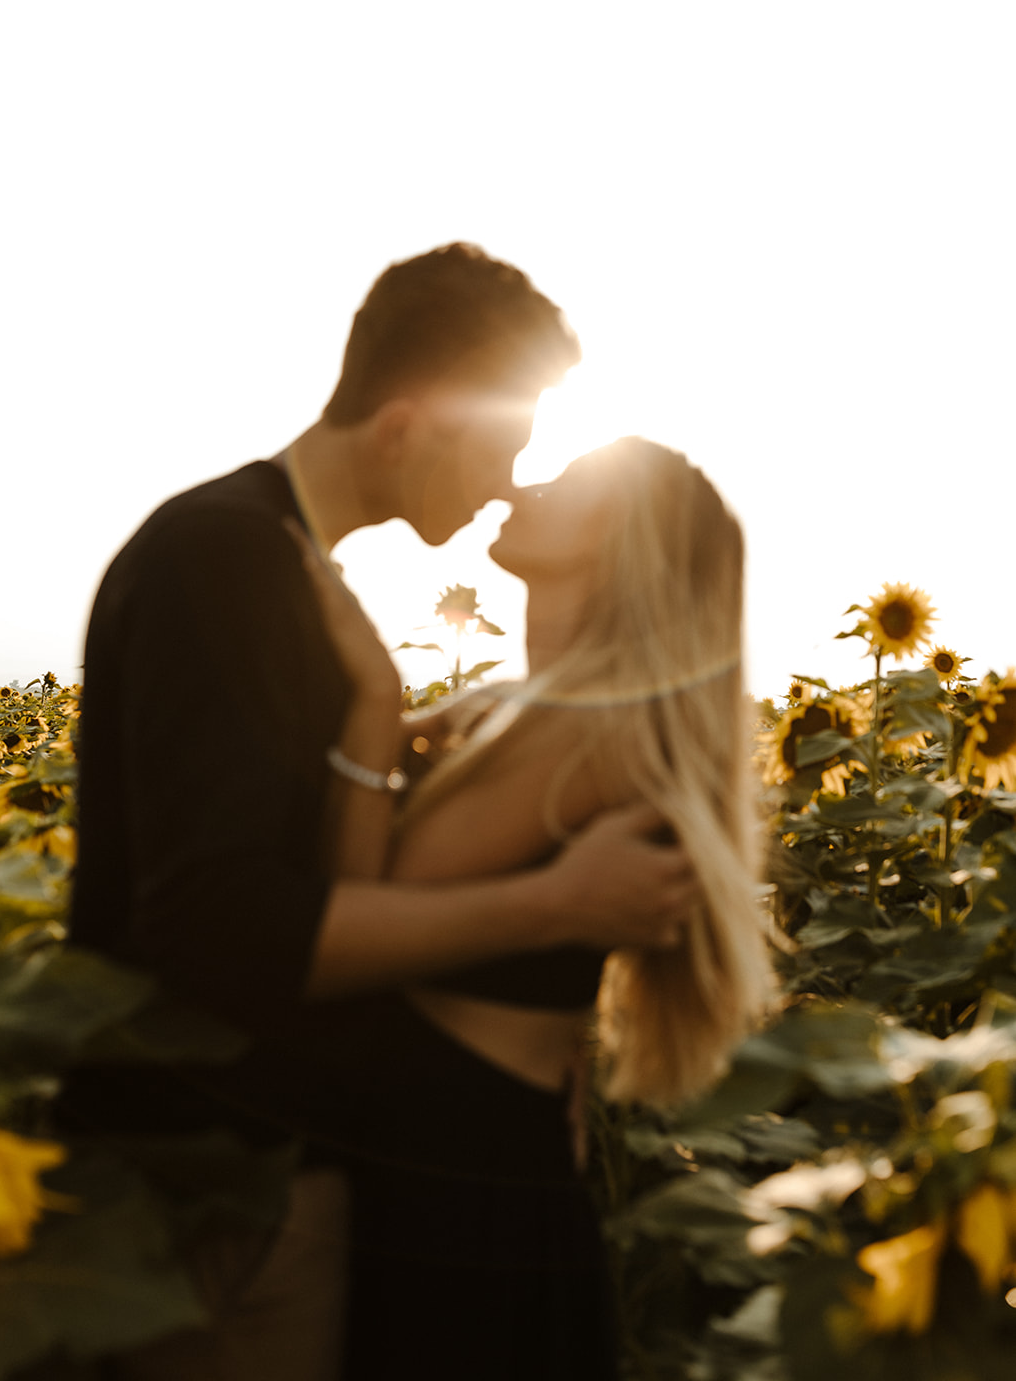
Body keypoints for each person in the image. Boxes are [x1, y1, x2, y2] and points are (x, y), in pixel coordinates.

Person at [65, 244, 701, 1381]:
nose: (509, 478)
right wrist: (547, 906)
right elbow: (223, 925)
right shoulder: (223, 559)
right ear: (408, 425)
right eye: (504, 439)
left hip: (270, 1177)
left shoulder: (281, 567)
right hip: (210, 1193)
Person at [289, 435, 774, 1380]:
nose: (519, 481)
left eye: (564, 482)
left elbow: (351, 923)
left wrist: (368, 713)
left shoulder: (578, 731)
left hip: (448, 1180)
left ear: (615, 544)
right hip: (487, 1157)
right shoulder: (547, 710)